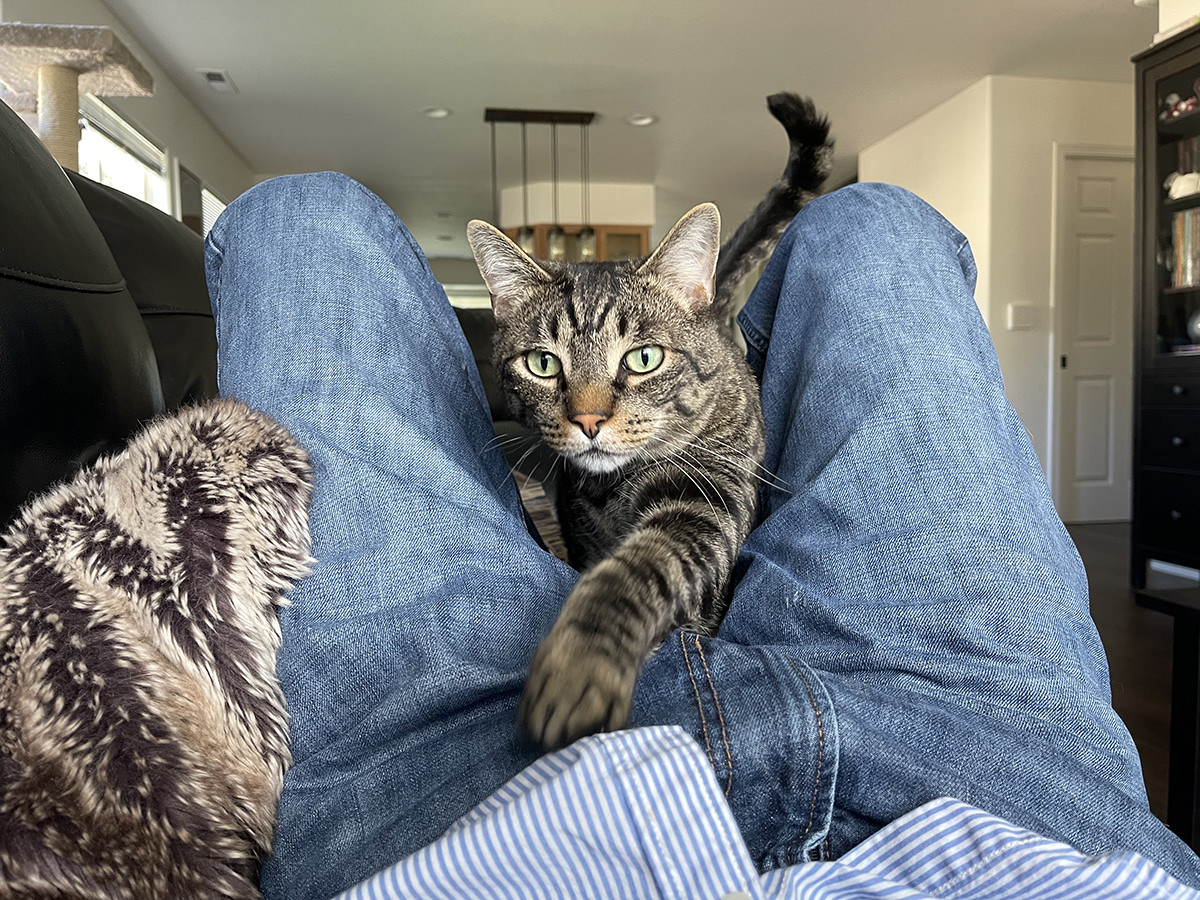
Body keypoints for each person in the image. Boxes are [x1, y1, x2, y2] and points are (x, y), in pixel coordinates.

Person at [205, 173, 1200, 900]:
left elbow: (694, 512)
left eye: (635, 360)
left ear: (689, 309)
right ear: (512, 331)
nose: (590, 409)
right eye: (549, 366)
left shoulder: (703, 404)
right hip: (987, 768)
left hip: (450, 786)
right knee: (876, 224)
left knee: (296, 223)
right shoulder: (581, 413)